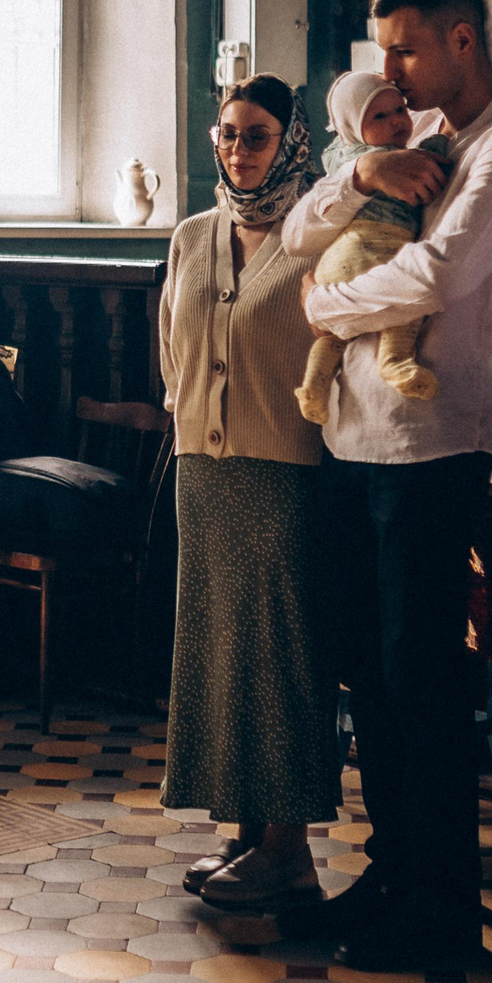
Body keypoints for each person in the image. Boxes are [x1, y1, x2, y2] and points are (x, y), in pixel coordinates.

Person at [281, 0, 492, 971]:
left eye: (401, 46)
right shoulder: (419, 146)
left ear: (459, 38)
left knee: (422, 679)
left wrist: (323, 305)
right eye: (381, 50)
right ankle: (391, 870)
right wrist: (356, 173)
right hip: (349, 441)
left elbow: (434, 275)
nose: (387, 69)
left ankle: (442, 906)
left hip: (431, 447)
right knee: (366, 675)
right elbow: (301, 230)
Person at [159, 74, 335, 910]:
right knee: (220, 653)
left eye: (256, 136)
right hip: (204, 469)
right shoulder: (192, 236)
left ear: (291, 142)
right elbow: (173, 348)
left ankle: (288, 849)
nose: (237, 149)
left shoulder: (318, 235)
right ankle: (241, 831)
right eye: (226, 134)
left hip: (285, 470)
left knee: (281, 659)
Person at [297, 73, 453, 421]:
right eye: (379, 117)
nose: (397, 121)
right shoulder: (398, 159)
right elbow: (435, 156)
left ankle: (312, 387)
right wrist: (441, 141)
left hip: (335, 261)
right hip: (377, 246)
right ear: (354, 127)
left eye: (399, 110)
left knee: (333, 337)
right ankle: (396, 362)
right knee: (405, 308)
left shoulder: (341, 161)